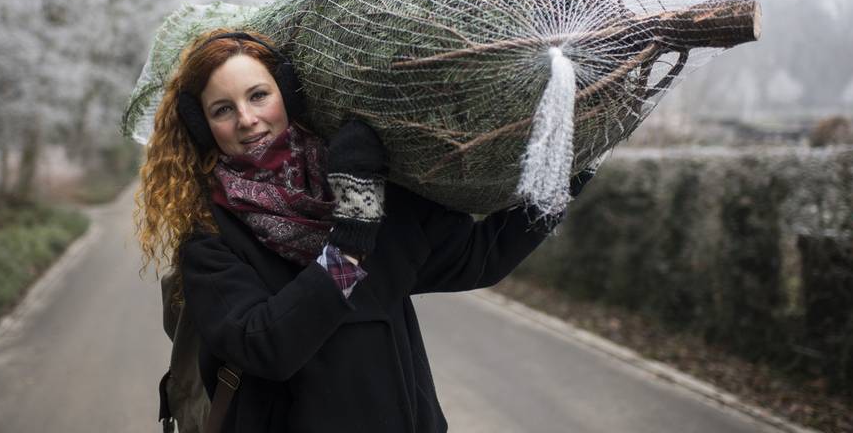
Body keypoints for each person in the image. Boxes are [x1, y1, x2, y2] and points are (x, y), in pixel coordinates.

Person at [137, 28, 592, 433]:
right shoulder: (211, 241)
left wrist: (571, 168)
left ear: (288, 96)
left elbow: (480, 257)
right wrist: (350, 240)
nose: (247, 119)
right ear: (204, 127)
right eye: (222, 109)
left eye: (258, 95)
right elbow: (265, 346)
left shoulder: (364, 184)